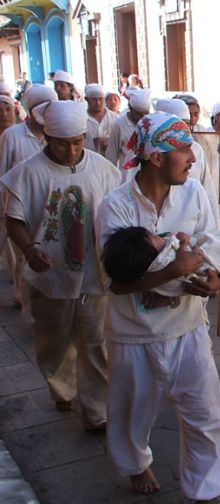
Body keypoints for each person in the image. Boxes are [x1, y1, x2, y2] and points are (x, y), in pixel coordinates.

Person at [96, 112, 220, 504]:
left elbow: (213, 246)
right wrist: (174, 272)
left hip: (188, 329)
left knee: (208, 415)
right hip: (132, 334)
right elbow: (116, 285)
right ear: (156, 157)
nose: (192, 157)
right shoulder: (116, 207)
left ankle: (206, 494)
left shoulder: (193, 194)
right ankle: (136, 463)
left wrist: (213, 278)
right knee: (131, 413)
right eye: (182, 149)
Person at [1, 101, 119, 429]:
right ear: (47, 140)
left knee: (96, 343)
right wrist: (29, 248)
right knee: (55, 342)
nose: (71, 151)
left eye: (78, 142)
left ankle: (96, 411)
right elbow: (14, 220)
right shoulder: (26, 173)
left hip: (96, 274)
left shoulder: (105, 171)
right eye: (62, 144)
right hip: (49, 275)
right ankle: (62, 388)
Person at [0, 85, 58, 315]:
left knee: (32, 257)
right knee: (22, 253)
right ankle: (27, 304)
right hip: (13, 207)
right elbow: (3, 171)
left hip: (43, 208)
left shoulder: (52, 137)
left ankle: (28, 301)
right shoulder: (12, 136)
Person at [102, 225, 220, 297]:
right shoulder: (162, 259)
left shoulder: (195, 190)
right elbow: (115, 287)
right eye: (154, 237)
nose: (193, 160)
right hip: (136, 330)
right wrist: (184, 242)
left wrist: (218, 281)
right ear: (156, 160)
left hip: (190, 322)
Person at [148, 98, 218, 221]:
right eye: (178, 126)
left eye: (187, 124)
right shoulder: (147, 154)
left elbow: (208, 192)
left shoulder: (197, 151)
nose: (184, 130)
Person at [105, 87, 151, 172]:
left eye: (146, 113)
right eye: (139, 114)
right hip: (125, 179)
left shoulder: (151, 123)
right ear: (130, 108)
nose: (143, 117)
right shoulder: (119, 125)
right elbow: (111, 157)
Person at [84, 84, 115, 155]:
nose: (98, 103)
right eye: (94, 100)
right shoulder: (82, 119)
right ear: (86, 99)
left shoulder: (114, 118)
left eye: (100, 99)